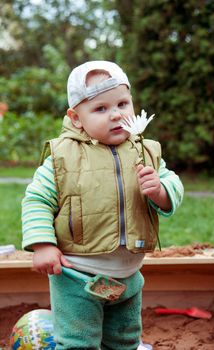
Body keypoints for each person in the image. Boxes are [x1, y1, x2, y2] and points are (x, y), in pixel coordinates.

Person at [22, 60, 184, 350]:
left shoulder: (145, 150)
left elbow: (173, 184)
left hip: (129, 275)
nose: (116, 115)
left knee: (124, 341)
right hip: (76, 275)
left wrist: (160, 191)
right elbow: (36, 199)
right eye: (101, 109)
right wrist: (42, 244)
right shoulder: (62, 157)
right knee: (78, 343)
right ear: (76, 118)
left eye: (122, 103)